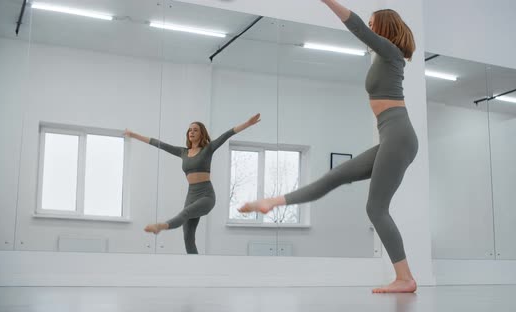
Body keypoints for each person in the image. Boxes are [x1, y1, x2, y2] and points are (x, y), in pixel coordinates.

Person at [239, 0, 418, 293]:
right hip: (393, 136)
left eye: (375, 25)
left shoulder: (390, 52)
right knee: (334, 177)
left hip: (398, 135)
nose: (370, 29)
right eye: (371, 25)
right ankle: (272, 202)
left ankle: (405, 278)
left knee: (376, 208)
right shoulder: (384, 58)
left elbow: (357, 26)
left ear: (383, 28)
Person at [125, 113, 261, 254]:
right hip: (191, 194)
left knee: (185, 213)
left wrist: (248, 123)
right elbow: (159, 144)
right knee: (188, 237)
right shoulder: (183, 152)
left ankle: (162, 226)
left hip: (206, 195)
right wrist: (134, 135)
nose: (192, 132)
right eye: (190, 130)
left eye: (195, 130)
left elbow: (227, 134)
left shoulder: (208, 148)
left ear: (202, 134)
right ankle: (195, 266)